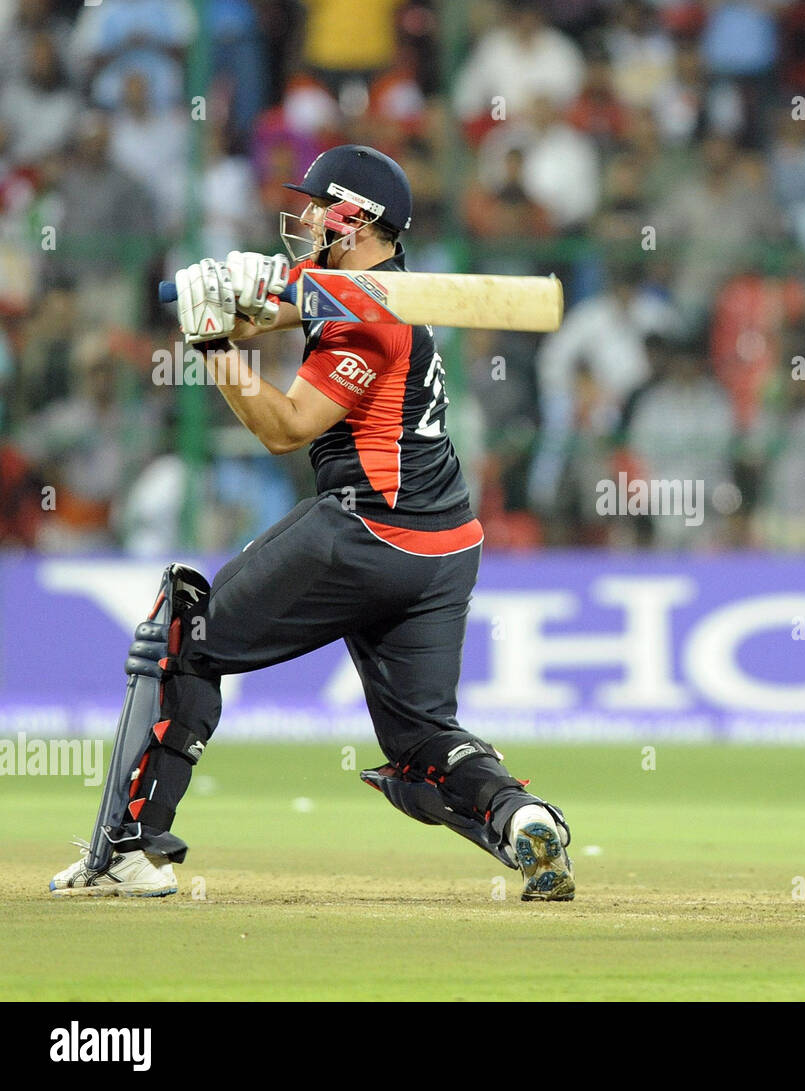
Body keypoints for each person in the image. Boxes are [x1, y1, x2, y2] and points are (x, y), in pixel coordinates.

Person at [50, 145, 575, 901]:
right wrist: (248, 289)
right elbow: (307, 298)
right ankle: (520, 813)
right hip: (446, 546)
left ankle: (125, 850)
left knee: (181, 637)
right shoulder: (376, 293)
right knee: (421, 742)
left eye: (316, 208)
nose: (302, 218)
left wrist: (213, 345)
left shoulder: (371, 322)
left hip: (368, 530)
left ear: (353, 220)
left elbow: (286, 426)